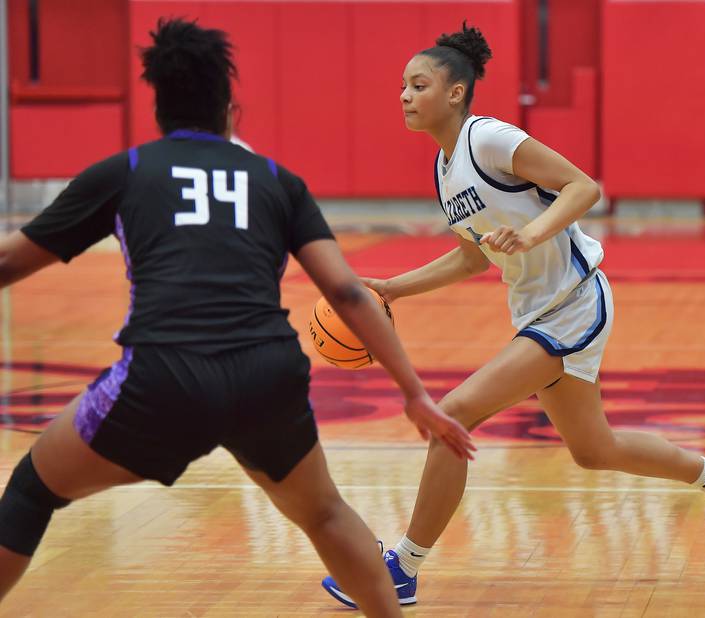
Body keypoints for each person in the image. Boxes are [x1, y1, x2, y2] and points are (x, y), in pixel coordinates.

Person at [0, 18, 475, 616]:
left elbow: (10, 260)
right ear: (232, 111)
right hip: (264, 376)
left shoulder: (124, 171)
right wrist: (414, 393)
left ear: (159, 107)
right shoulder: (276, 180)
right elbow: (351, 295)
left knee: (30, 489)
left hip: (162, 376)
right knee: (326, 515)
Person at [321, 21, 705, 609]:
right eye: (401, 86)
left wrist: (529, 234)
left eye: (418, 84)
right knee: (594, 449)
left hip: (574, 300)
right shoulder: (445, 167)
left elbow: (584, 187)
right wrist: (392, 290)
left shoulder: (490, 140)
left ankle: (401, 568)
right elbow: (471, 257)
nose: (404, 95)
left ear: (455, 92)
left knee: (453, 415)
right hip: (541, 310)